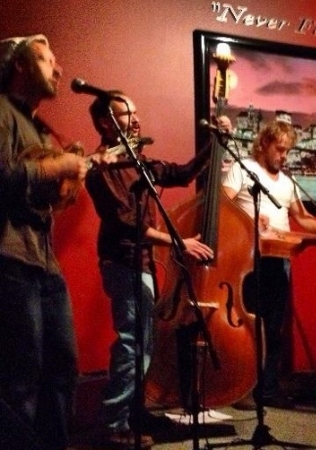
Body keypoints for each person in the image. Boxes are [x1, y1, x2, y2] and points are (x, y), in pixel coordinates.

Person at [0, 34, 113, 450]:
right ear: (20, 65)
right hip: (9, 259)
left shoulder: (40, 129)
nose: (59, 69)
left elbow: (41, 202)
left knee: (63, 369)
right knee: (21, 377)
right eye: (47, 60)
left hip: (43, 261)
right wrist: (58, 166)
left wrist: (70, 181)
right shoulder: (2, 111)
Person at [85, 92, 214, 448]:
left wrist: (214, 144)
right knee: (132, 345)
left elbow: (181, 174)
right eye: (127, 114)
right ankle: (114, 425)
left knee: (144, 343)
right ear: (105, 123)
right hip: (123, 263)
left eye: (136, 112)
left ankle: (134, 413)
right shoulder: (103, 169)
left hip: (140, 264)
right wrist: (178, 242)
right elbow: (127, 223)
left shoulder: (137, 161)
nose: (137, 119)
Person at [222, 119, 316, 410]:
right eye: (280, 149)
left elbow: (302, 218)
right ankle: (243, 387)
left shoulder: (288, 182)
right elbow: (223, 205)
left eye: (288, 151)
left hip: (279, 258)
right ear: (264, 143)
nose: (284, 156)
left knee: (274, 327)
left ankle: (268, 389)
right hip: (248, 259)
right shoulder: (243, 169)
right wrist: (251, 219)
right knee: (249, 325)